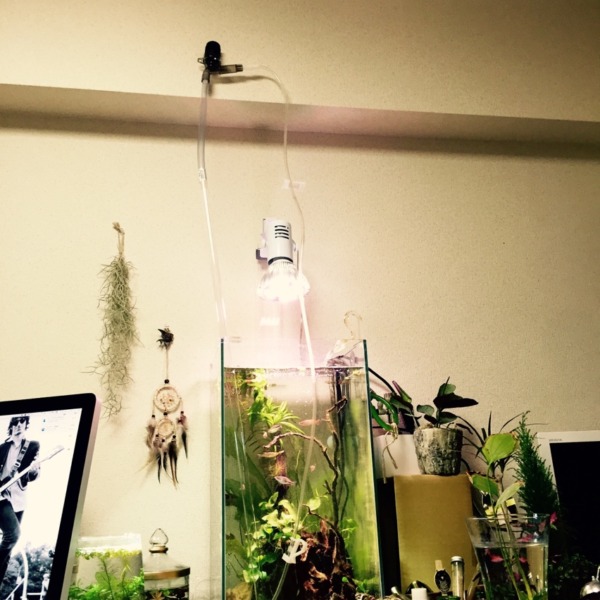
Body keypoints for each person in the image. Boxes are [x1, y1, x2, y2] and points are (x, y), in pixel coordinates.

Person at [0, 415, 40, 583]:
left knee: (8, 550)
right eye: (15, 423)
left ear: (26, 425)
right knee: (13, 535)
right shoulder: (2, 447)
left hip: (18, 499)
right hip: (2, 496)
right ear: (11, 426)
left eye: (22, 422)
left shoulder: (33, 446)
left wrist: (34, 471)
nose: (19, 425)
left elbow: (32, 476)